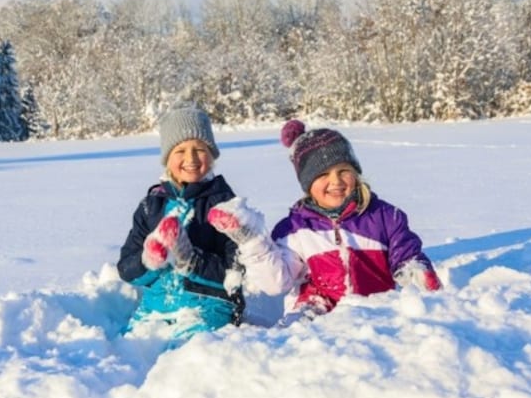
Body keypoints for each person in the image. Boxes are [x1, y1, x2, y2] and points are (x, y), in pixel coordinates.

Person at [207, 119, 441, 326]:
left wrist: (416, 273)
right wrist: (251, 242)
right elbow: (276, 283)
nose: (336, 181)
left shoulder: (385, 217)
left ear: (356, 173)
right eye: (322, 175)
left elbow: (406, 254)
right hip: (315, 309)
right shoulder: (295, 229)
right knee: (298, 335)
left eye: (343, 171)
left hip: (374, 309)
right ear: (307, 184)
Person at [117, 104, 244, 339]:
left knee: (188, 353)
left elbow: (237, 271)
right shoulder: (151, 205)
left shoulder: (224, 204)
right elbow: (126, 269)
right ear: (167, 158)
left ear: (212, 154)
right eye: (180, 151)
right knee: (130, 348)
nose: (191, 158)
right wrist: (149, 261)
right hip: (156, 307)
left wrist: (191, 261)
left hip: (209, 306)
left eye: (200, 149)